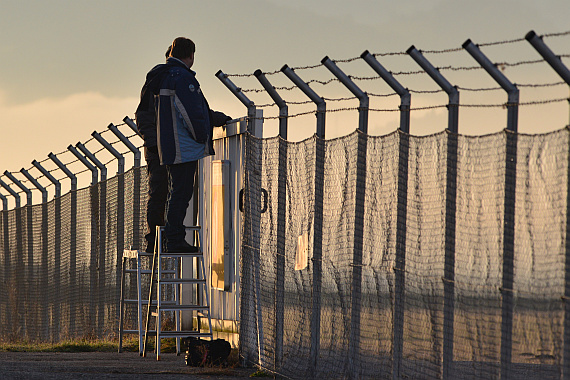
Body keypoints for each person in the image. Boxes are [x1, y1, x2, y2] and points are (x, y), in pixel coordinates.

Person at [136, 39, 230, 253]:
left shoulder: (159, 78)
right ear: (191, 55)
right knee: (177, 191)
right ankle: (166, 240)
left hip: (165, 145)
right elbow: (191, 111)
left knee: (168, 193)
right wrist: (202, 135)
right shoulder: (180, 78)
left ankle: (162, 240)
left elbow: (193, 110)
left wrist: (212, 118)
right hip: (176, 147)